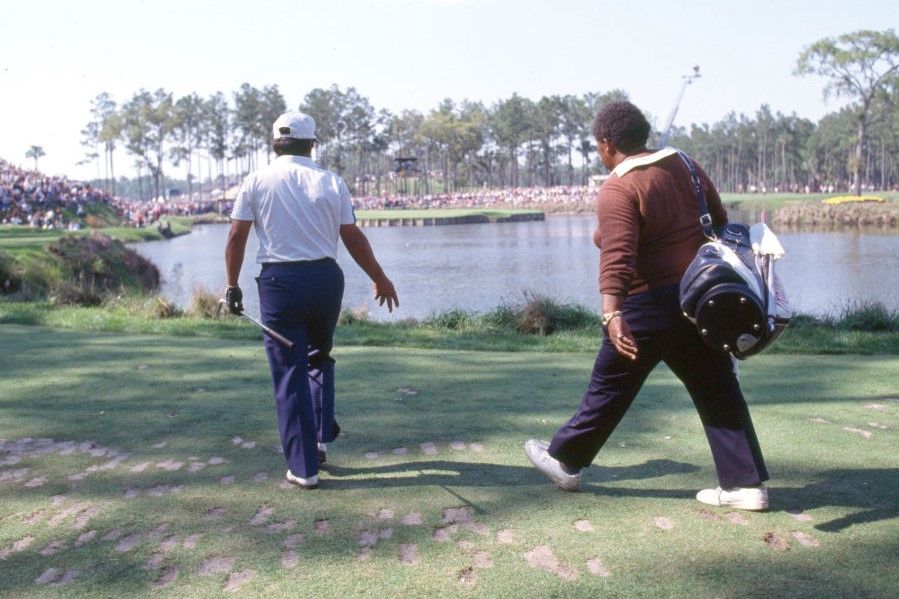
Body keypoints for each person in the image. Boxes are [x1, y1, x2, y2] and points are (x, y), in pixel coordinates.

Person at [525, 101, 769, 511]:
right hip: (699, 299)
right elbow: (718, 218)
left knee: (609, 388)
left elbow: (618, 258)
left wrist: (611, 313)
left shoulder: (618, 186)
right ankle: (746, 486)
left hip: (646, 305)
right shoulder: (685, 163)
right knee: (717, 388)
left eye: (598, 147)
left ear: (606, 144)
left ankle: (565, 462)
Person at [225, 111, 399, 490]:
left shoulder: (255, 180)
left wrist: (232, 285)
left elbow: (237, 236)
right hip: (325, 279)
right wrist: (379, 277)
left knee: (290, 370)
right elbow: (352, 237)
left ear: (275, 144)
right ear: (312, 144)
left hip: (279, 282)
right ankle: (319, 439)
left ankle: (304, 468)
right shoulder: (332, 181)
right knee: (318, 358)